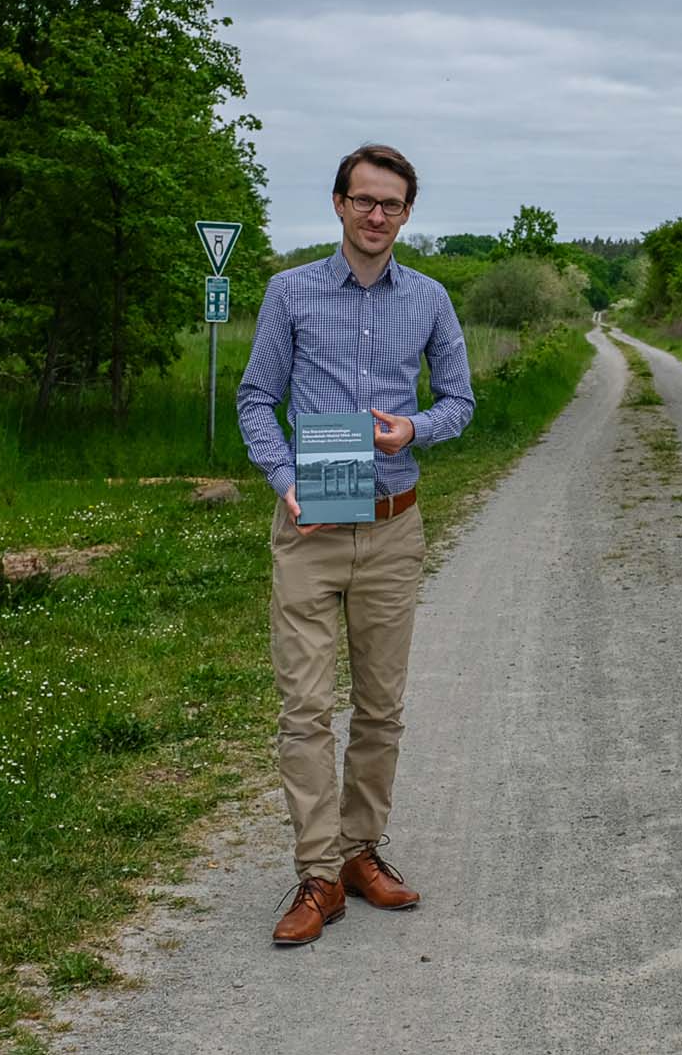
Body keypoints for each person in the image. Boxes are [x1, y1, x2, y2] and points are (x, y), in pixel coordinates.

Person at [237, 143, 476, 946]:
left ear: (407, 214)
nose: (378, 216)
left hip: (392, 527)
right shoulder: (290, 291)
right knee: (304, 708)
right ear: (338, 204)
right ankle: (316, 875)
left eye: (393, 205)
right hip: (310, 527)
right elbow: (256, 399)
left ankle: (360, 854)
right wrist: (282, 477)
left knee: (380, 709)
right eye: (365, 200)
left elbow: (461, 401)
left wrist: (416, 426)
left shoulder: (431, 298)